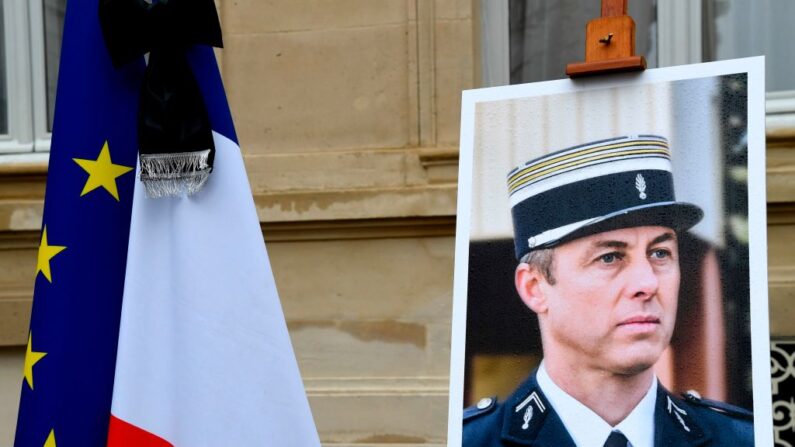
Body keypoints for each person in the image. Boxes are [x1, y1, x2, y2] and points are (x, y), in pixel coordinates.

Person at [462, 135, 754, 446]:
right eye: (610, 257)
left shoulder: (741, 439)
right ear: (535, 288)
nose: (647, 284)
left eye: (660, 253)